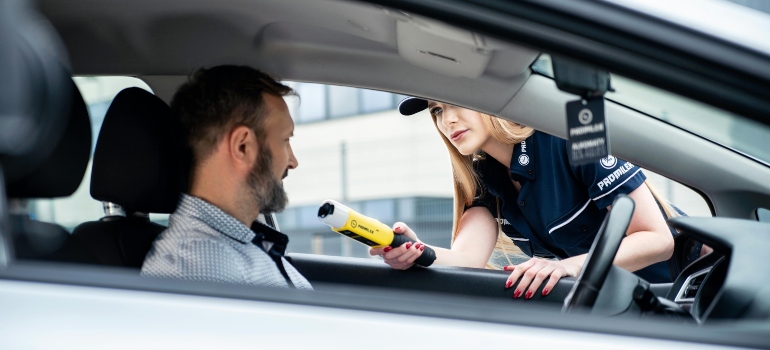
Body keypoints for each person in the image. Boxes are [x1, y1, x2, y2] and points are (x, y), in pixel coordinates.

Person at [370, 97, 675, 299]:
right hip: (621, 302)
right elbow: (467, 260)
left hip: (688, 290)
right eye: (437, 110)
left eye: (456, 102)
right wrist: (413, 251)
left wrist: (567, 267)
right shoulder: (482, 177)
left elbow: (658, 240)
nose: (447, 120)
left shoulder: (574, 133)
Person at [141, 65, 312, 290]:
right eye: (285, 140)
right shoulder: (195, 267)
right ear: (242, 146)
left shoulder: (243, 243)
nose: (293, 161)